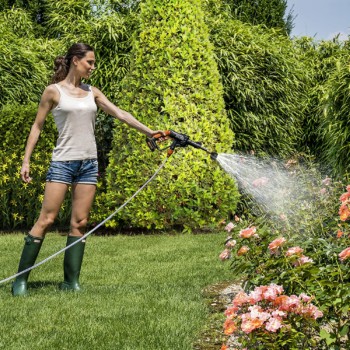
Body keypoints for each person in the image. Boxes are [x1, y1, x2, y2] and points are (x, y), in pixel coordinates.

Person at [12, 43, 165, 296]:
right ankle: (20, 281)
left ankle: (70, 282)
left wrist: (150, 131)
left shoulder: (93, 92)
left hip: (88, 164)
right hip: (62, 163)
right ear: (75, 60)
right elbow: (37, 126)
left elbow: (120, 113)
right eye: (89, 62)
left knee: (80, 222)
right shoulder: (54, 91)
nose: (93, 67)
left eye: (93, 63)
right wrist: (26, 161)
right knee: (46, 219)